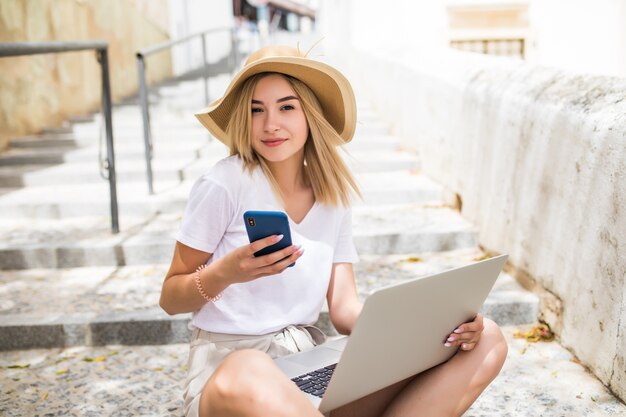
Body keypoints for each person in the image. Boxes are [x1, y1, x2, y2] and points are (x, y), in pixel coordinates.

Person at [159, 45, 508, 417]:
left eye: (286, 107)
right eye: (255, 110)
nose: (269, 124)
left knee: (486, 340)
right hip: (230, 375)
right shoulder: (225, 183)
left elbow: (343, 309)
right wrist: (226, 273)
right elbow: (170, 297)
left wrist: (432, 328)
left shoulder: (332, 196)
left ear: (311, 114)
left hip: (305, 367)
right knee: (249, 369)